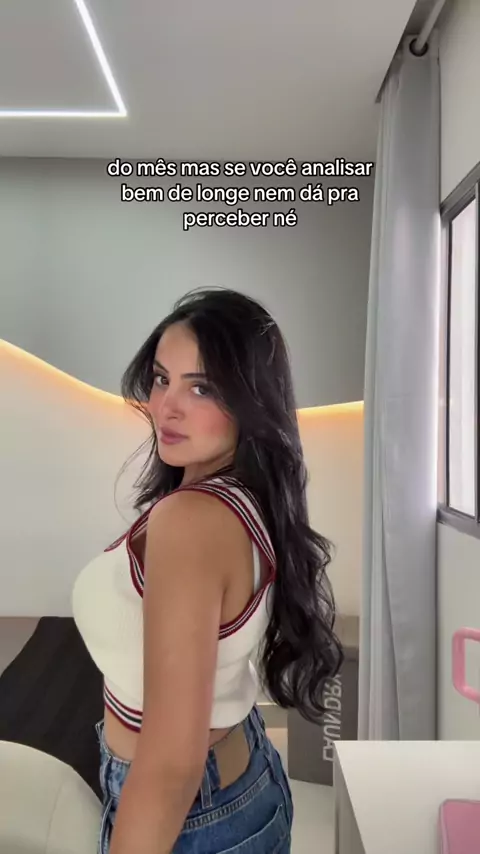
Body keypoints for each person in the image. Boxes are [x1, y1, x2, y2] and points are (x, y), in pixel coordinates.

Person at [72, 288, 343, 854]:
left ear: (251, 400)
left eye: (202, 387)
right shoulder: (240, 494)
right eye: (161, 378)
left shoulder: (191, 520)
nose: (166, 406)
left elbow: (172, 764)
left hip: (192, 812)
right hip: (236, 777)